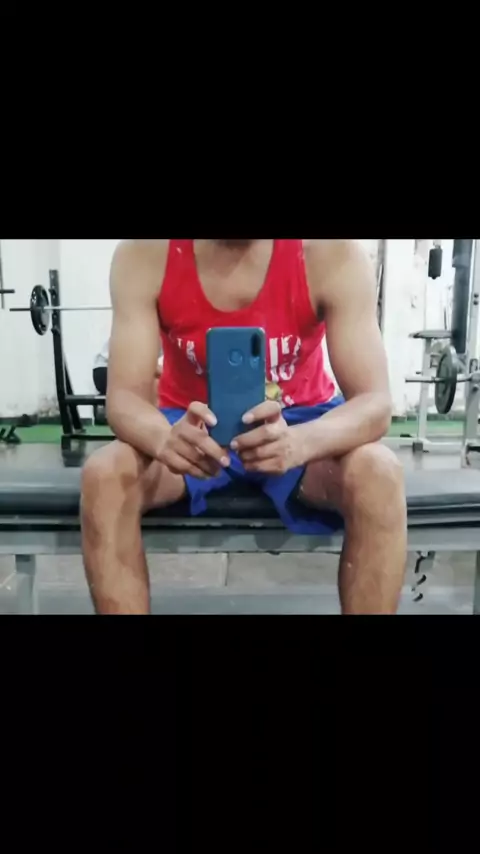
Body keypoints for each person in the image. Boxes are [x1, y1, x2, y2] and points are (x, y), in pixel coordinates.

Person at [81, 239, 407, 615]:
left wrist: (301, 442)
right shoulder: (146, 255)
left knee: (380, 474)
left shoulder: (331, 254)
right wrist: (162, 438)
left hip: (300, 423)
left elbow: (374, 401)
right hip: (189, 426)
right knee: (105, 476)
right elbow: (124, 398)